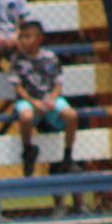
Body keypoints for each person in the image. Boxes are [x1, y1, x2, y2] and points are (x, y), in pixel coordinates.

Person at [11, 19, 81, 197]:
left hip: (50, 99)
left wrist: (51, 99)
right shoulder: (17, 60)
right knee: (25, 116)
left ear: (40, 38)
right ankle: (28, 149)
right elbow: (18, 87)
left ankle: (68, 154)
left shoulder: (50, 57)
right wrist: (35, 102)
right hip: (29, 101)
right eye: (22, 37)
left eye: (28, 36)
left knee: (71, 115)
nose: (24, 41)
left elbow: (58, 84)